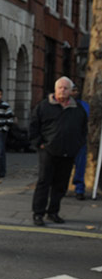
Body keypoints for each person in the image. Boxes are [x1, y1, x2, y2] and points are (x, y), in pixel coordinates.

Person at [30, 76, 88, 225]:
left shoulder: (78, 108)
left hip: (68, 152)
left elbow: (83, 129)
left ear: (71, 91)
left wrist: (77, 145)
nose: (63, 90)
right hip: (48, 151)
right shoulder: (44, 106)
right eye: (60, 87)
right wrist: (39, 144)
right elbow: (34, 126)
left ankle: (53, 212)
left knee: (61, 184)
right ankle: (38, 213)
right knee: (44, 182)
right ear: (55, 89)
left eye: (66, 88)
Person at [70, 85, 90, 200]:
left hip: (79, 139)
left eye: (76, 90)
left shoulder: (83, 105)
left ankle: (79, 189)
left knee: (80, 165)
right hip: (64, 140)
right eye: (72, 90)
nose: (74, 93)